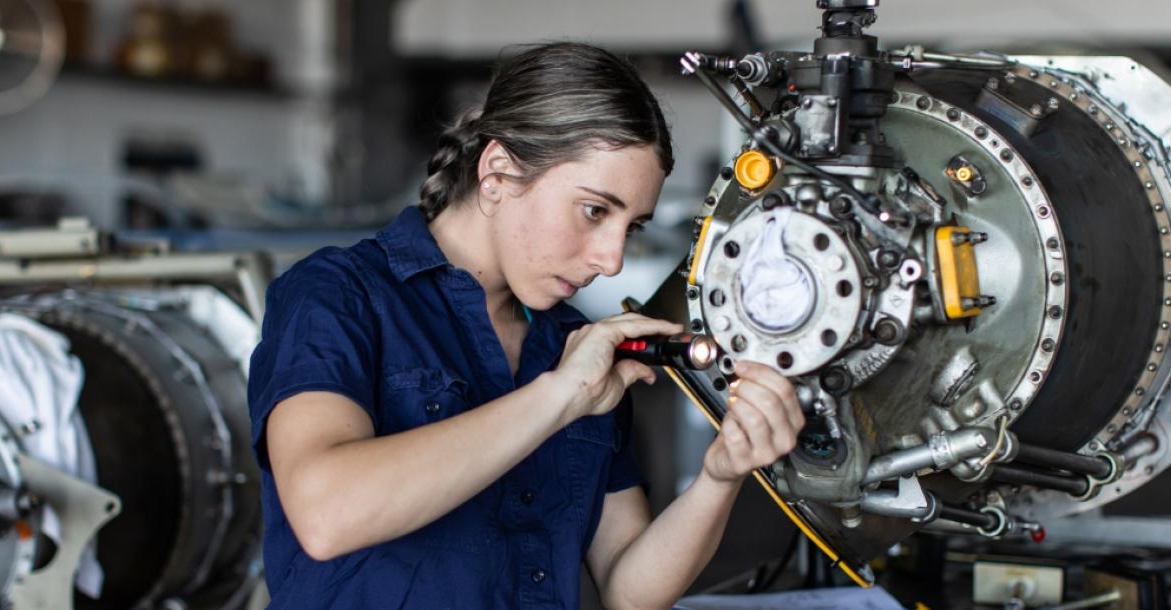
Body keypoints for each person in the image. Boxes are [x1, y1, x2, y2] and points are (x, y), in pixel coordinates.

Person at [248, 42, 806, 609]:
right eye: (594, 211)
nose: (610, 260)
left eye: (630, 228)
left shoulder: (574, 346)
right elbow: (326, 514)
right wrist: (559, 396)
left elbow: (628, 590)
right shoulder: (338, 295)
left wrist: (721, 475)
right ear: (497, 172)